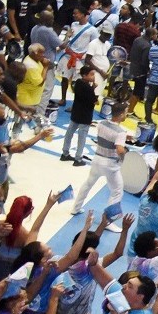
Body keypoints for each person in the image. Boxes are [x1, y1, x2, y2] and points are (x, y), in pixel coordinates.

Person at [68, 99, 130, 233]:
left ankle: (75, 208)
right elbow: (119, 149)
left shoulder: (102, 124)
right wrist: (125, 152)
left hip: (97, 160)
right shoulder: (120, 132)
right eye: (126, 112)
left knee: (88, 184)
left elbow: (108, 136)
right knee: (117, 191)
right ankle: (107, 221)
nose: (127, 114)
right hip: (110, 165)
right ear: (120, 115)